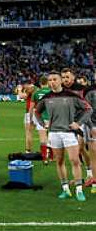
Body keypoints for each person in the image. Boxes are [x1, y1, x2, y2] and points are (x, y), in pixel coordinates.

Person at [35, 71, 92, 202]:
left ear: (60, 81)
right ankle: (65, 189)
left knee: (75, 161)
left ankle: (79, 190)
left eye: (54, 79)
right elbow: (37, 111)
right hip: (54, 133)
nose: (52, 82)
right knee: (59, 161)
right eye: (49, 80)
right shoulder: (46, 97)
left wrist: (78, 123)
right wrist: (42, 123)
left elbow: (88, 109)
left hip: (68, 133)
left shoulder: (72, 95)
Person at [30, 76, 51, 163]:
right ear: (48, 83)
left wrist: (31, 119)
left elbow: (31, 108)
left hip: (40, 118)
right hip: (52, 118)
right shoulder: (52, 92)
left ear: (40, 83)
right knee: (52, 137)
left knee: (43, 138)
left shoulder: (36, 93)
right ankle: (52, 156)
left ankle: (44, 158)